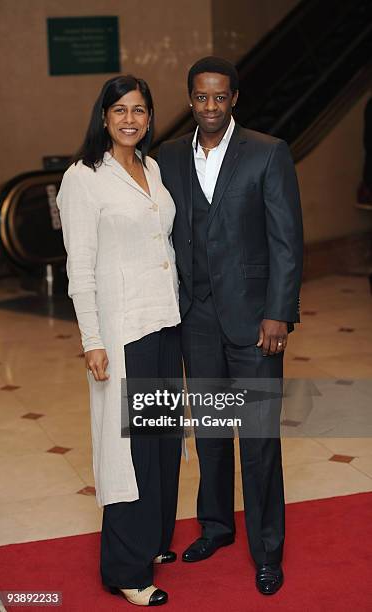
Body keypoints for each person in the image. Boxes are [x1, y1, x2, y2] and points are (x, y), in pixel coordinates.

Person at [158, 56, 303, 596]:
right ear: (190, 99)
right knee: (214, 434)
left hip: (254, 322)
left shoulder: (268, 152)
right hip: (195, 318)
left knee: (259, 440)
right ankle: (216, 527)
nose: (210, 106)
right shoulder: (168, 157)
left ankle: (268, 551)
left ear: (234, 99)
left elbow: (287, 240)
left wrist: (278, 312)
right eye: (201, 97)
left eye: (220, 97)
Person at [57, 75, 182, 607]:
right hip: (122, 330)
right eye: (120, 110)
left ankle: (152, 540)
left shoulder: (151, 168)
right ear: (103, 117)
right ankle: (126, 569)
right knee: (127, 452)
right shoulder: (83, 178)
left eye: (140, 110)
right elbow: (79, 267)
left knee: (160, 443)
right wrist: (92, 339)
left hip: (164, 320)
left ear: (150, 117)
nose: (130, 119)